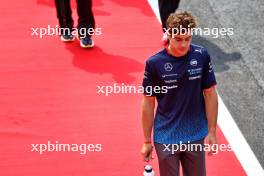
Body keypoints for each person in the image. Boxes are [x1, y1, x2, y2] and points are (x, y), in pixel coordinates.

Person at [141, 11, 218, 176]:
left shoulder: (201, 55)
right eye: (178, 39)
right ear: (168, 35)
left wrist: (212, 131)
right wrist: (147, 140)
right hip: (166, 136)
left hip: (195, 133)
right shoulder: (154, 63)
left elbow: (210, 93)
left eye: (188, 39)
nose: (183, 44)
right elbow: (148, 101)